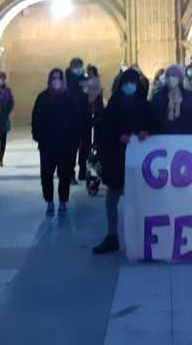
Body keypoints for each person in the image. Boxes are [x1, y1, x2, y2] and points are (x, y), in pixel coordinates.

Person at [93, 68, 152, 254]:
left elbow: (152, 124)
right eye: (127, 83)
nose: (130, 86)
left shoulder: (143, 104)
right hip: (116, 158)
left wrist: (146, 132)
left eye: (133, 83)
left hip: (138, 159)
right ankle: (112, 236)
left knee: (136, 201)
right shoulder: (115, 102)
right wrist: (118, 136)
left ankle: (139, 237)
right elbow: (105, 128)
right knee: (112, 200)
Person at [31, 68, 81, 215]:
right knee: (46, 174)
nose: (56, 81)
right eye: (53, 78)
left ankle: (63, 201)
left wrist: (74, 140)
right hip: (47, 144)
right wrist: (38, 136)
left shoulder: (70, 98)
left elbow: (77, 120)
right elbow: (36, 118)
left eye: (59, 78)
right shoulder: (43, 97)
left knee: (64, 175)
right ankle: (49, 201)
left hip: (66, 144)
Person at [149, 64, 192, 135]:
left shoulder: (188, 96)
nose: (172, 78)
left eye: (175, 76)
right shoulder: (158, 97)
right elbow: (152, 118)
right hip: (164, 136)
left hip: (186, 136)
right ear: (166, 78)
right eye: (169, 75)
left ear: (180, 78)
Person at [65, 57, 89, 183]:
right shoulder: (67, 82)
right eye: (78, 67)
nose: (80, 69)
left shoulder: (85, 80)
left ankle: (82, 171)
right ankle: (70, 173)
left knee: (85, 146)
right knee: (72, 148)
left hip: (85, 117)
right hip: (72, 119)